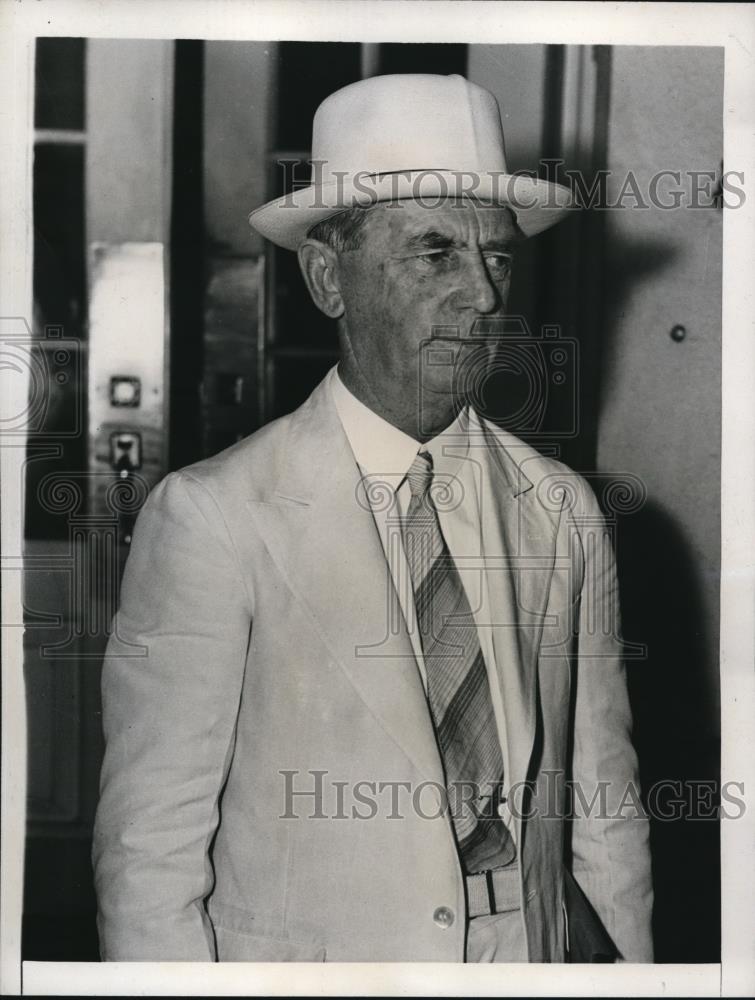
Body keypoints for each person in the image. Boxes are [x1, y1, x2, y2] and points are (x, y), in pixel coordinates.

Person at [93, 72, 653, 963]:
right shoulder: (215, 517)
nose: (483, 295)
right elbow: (147, 855)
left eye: (497, 257)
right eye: (435, 252)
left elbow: (603, 804)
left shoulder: (561, 510)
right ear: (328, 278)